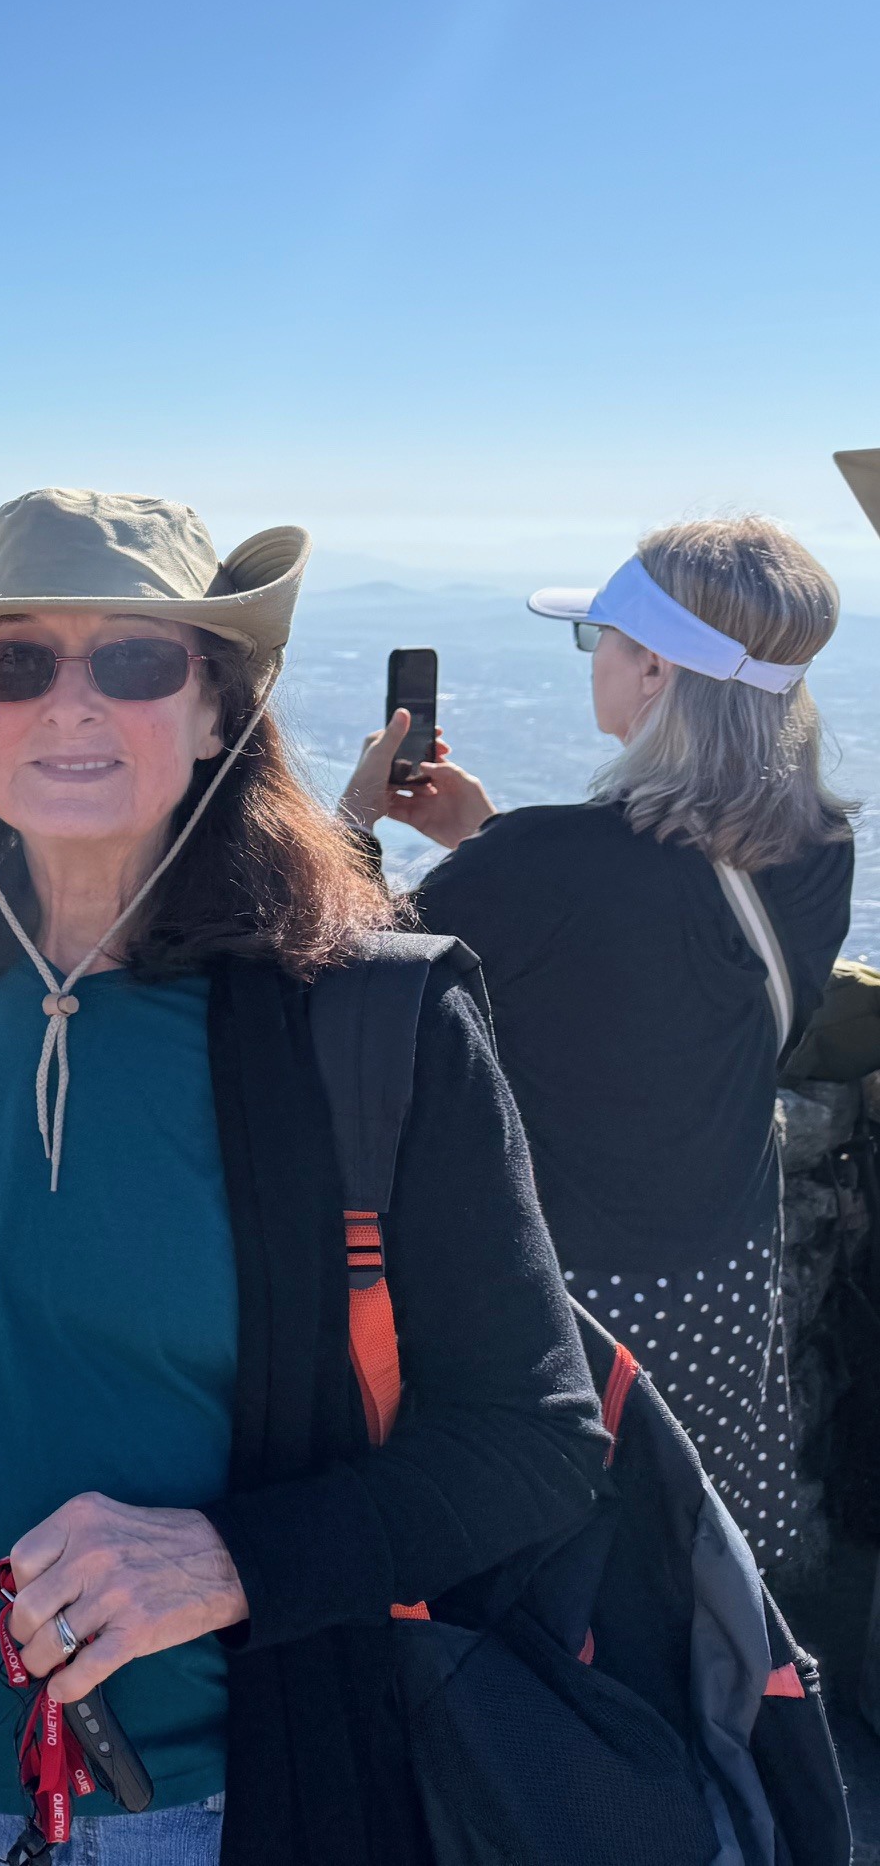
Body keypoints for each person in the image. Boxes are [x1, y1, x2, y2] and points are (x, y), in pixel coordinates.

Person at [0, 488, 610, 1866]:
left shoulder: (367, 1017)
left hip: (202, 1811)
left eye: (135, 660)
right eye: (17, 661)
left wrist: (230, 1558)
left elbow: (538, 1442)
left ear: (219, 711)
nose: (69, 703)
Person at [340, 515, 855, 1574]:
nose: (598, 663)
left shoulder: (539, 869)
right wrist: (487, 841)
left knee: (568, 1586)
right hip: (725, 1269)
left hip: (566, 1304)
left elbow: (331, 974)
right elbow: (655, 963)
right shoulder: (818, 846)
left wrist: (351, 823)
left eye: (602, 642)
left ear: (656, 669)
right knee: (697, 1563)